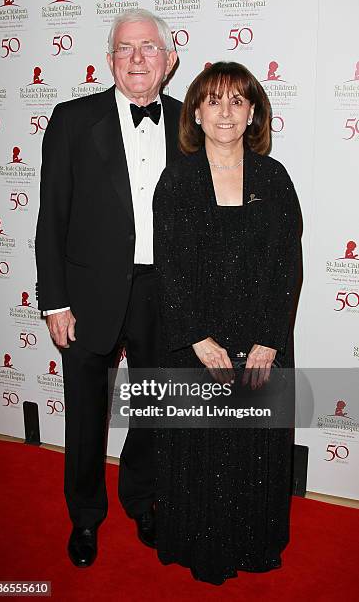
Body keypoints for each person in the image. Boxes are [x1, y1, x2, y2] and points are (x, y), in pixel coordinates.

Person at [35, 9, 179, 568]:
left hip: (161, 293)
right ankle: (85, 517)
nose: (137, 58)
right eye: (125, 48)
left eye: (148, 47)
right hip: (88, 293)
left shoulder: (190, 124)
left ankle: (143, 499)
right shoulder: (72, 119)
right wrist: (55, 300)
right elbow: (52, 218)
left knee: (154, 408)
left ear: (169, 60)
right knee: (86, 413)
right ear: (110, 59)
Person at [153, 61, 302, 585]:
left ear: (253, 112)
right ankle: (199, 543)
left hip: (260, 340)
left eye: (237, 100)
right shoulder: (176, 180)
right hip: (198, 344)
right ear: (195, 111)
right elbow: (167, 265)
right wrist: (196, 337)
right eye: (213, 100)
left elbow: (288, 263)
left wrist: (270, 339)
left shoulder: (274, 177)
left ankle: (252, 542)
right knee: (199, 446)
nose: (225, 111)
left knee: (254, 446)